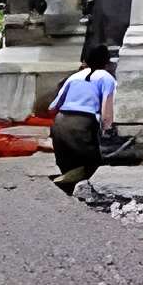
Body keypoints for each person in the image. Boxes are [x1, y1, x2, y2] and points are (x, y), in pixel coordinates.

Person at [49, 43, 118, 195]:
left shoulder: (74, 77)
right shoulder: (107, 79)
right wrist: (108, 130)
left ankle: (69, 179)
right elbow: (107, 108)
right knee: (93, 161)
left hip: (59, 122)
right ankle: (78, 180)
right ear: (106, 63)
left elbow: (53, 106)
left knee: (66, 159)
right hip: (82, 123)